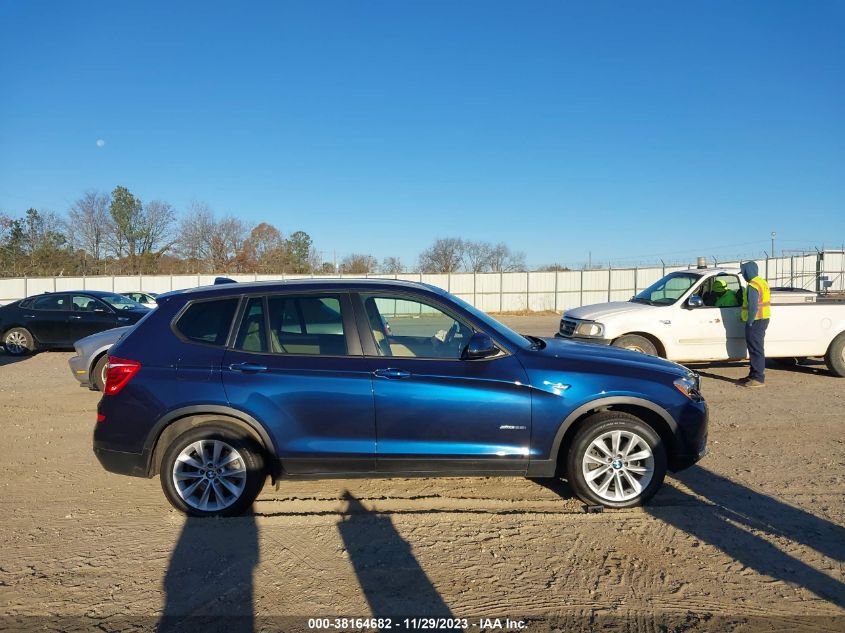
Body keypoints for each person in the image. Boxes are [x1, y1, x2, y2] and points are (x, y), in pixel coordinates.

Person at [740, 261, 771, 387]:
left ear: (748, 272)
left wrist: (750, 320)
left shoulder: (753, 285)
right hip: (762, 318)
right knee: (755, 348)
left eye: (743, 272)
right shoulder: (762, 282)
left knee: (756, 349)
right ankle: (753, 375)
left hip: (756, 320)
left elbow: (753, 306)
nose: (743, 275)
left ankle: (758, 378)